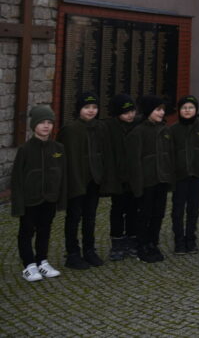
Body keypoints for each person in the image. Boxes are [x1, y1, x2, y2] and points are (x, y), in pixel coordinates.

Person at [12, 106, 66, 282]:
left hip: (49, 199)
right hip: (30, 200)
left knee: (45, 230)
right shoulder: (25, 150)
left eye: (49, 122)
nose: (46, 126)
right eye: (42, 122)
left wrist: (60, 200)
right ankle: (29, 265)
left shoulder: (58, 148)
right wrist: (18, 204)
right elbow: (17, 179)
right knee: (26, 231)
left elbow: (63, 175)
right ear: (34, 125)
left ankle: (42, 261)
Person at [57, 92, 107, 270]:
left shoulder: (100, 128)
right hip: (76, 180)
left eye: (94, 107)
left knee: (90, 217)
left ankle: (89, 250)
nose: (91, 111)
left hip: (94, 179)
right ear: (79, 109)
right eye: (87, 107)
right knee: (74, 217)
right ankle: (72, 253)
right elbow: (63, 158)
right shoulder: (70, 130)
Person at [127, 95, 173, 263]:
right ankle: (142, 245)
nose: (162, 113)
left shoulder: (165, 130)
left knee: (158, 214)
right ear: (148, 111)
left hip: (161, 180)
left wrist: (169, 178)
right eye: (158, 109)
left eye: (162, 109)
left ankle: (153, 243)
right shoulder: (138, 132)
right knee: (144, 215)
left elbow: (169, 155)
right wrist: (138, 186)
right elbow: (134, 162)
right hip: (146, 182)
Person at [170, 94, 199, 254]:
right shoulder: (173, 129)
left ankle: (190, 239)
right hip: (179, 176)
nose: (187, 110)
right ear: (179, 110)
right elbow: (170, 154)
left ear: (196, 110)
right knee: (178, 209)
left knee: (194, 209)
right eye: (184, 108)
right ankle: (179, 241)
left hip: (197, 175)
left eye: (191, 107)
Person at [103, 94, 139, 261]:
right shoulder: (109, 127)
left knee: (133, 210)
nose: (130, 115)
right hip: (117, 177)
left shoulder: (138, 125)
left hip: (134, 176)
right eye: (126, 112)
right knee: (117, 210)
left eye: (132, 111)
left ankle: (132, 239)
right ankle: (117, 242)